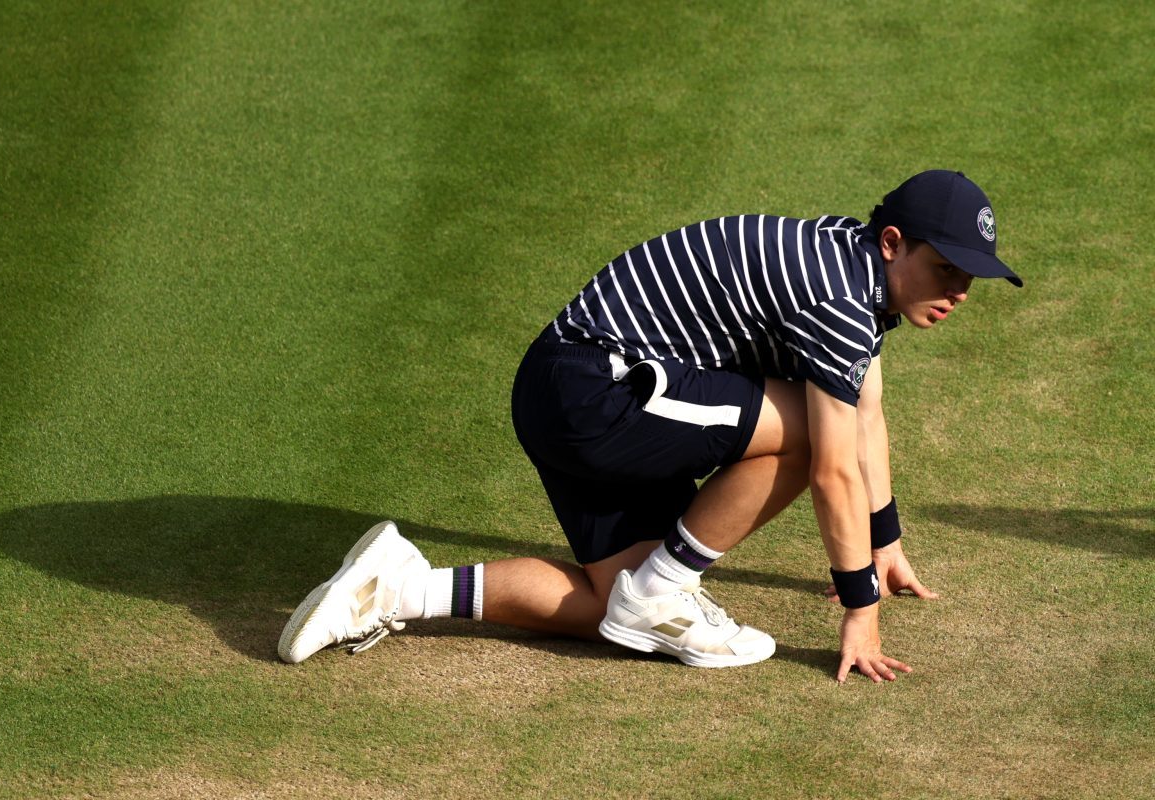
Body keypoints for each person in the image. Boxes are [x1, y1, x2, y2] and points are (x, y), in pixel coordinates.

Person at [277, 169, 1022, 683]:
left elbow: (868, 406)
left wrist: (885, 543)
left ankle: (397, 589)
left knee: (613, 607)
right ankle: (665, 590)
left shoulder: (849, 261)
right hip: (591, 388)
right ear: (893, 244)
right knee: (807, 438)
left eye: (970, 277)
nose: (959, 291)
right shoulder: (837, 298)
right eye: (947, 268)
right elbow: (834, 462)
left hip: (563, 391)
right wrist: (861, 608)